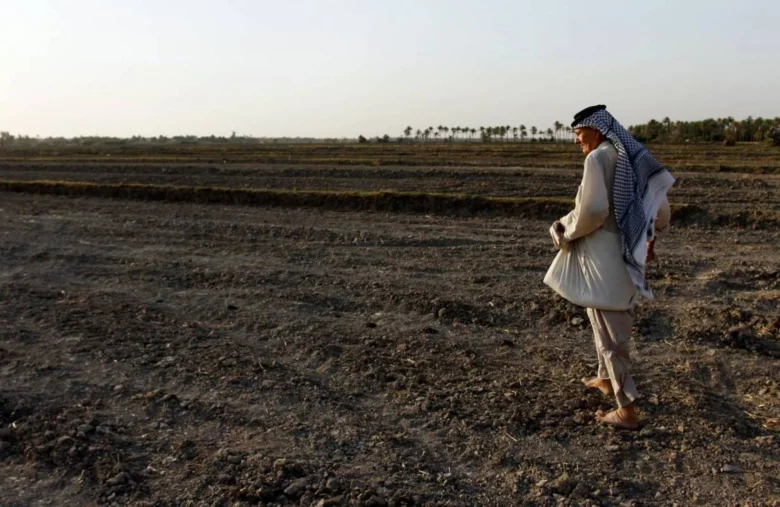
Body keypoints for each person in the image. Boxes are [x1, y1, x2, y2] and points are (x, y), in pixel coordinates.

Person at [549, 105, 674, 430]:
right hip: (630, 253)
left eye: (579, 134)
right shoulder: (636, 159)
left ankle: (627, 409)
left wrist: (564, 229)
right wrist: (647, 235)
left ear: (597, 130)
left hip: (605, 255)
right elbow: (662, 214)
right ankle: (606, 380)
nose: (576, 141)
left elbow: (592, 211)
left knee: (611, 335)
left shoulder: (598, 159)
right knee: (599, 316)